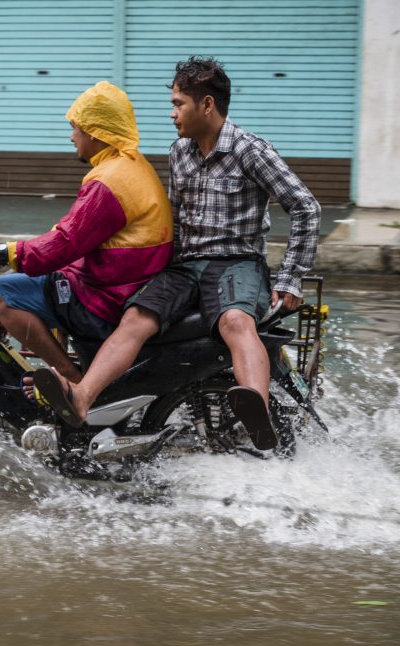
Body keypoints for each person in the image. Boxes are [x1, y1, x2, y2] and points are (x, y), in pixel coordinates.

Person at [33, 57, 321, 449]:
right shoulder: (179, 152)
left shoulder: (250, 150)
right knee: (135, 318)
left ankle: (257, 407)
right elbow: (172, 218)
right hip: (184, 266)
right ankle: (81, 400)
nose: (172, 114)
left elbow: (305, 206)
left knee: (236, 320)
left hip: (235, 262)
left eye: (178, 104)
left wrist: (290, 277)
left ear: (206, 105)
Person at [0, 81, 172, 387]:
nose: (71, 136)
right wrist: (23, 251)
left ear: (94, 131)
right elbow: (73, 232)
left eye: (76, 127)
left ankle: (70, 379)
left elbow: (65, 243)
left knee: (2, 294)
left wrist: (1, 254)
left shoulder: (109, 181)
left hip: (104, 297)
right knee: (41, 278)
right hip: (121, 283)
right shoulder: (132, 165)